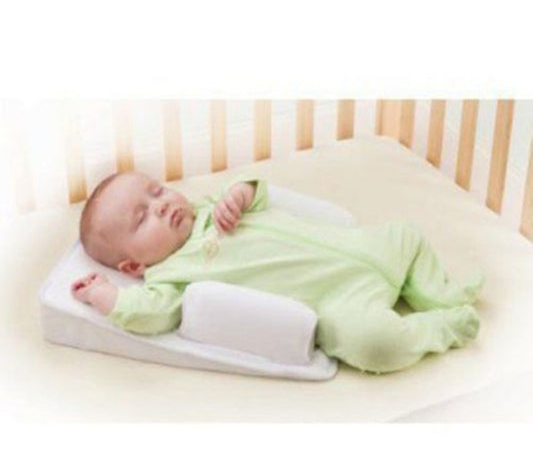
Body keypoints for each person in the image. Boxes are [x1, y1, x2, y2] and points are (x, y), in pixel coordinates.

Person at [71, 170, 484, 374]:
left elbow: (259, 192)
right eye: (142, 218)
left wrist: (240, 194)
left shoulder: (212, 207)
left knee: (406, 236)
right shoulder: (171, 276)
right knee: (375, 346)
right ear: (133, 266)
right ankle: (441, 326)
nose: (161, 205)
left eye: (156, 191)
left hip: (358, 246)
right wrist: (104, 295)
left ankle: (440, 293)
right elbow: (147, 313)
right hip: (340, 300)